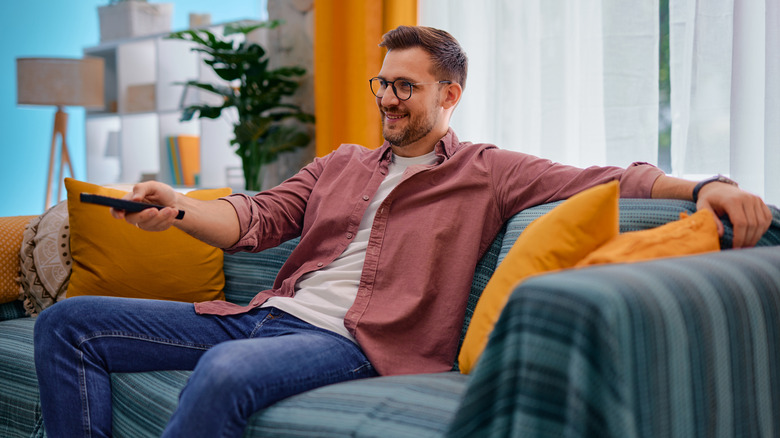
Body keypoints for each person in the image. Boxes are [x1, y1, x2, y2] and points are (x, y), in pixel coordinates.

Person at [34, 25, 772, 438]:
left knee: (222, 376)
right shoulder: (342, 163)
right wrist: (179, 208)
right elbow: (256, 220)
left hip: (357, 343)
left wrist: (708, 186)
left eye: (404, 86)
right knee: (66, 324)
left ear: (449, 96)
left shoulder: (491, 171)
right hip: (260, 320)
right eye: (381, 83)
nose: (387, 98)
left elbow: (616, 179)